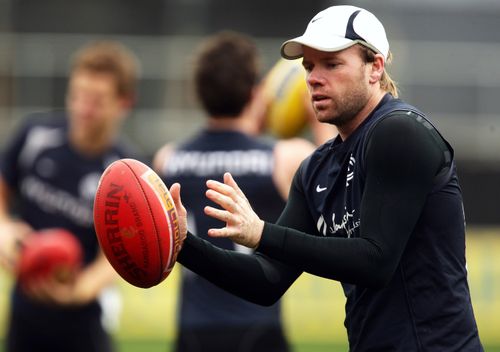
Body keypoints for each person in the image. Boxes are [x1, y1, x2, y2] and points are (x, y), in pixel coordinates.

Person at [168, 5, 484, 351]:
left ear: (375, 67)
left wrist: (262, 233)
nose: (313, 78)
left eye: (332, 64)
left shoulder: (399, 131)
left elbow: (375, 261)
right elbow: (267, 281)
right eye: (309, 66)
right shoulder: (316, 167)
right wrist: (183, 244)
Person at [154, 31, 317, 352]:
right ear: (255, 93)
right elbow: (342, 184)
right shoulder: (283, 158)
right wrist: (314, 116)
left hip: (193, 329)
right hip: (257, 325)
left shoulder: (168, 159)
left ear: (199, 94)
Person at [0, 40, 141, 352]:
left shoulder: (125, 173)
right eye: (77, 95)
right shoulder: (34, 135)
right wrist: (4, 228)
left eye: (96, 100)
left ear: (124, 103)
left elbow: (119, 256)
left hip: (84, 322)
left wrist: (79, 290)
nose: (82, 108)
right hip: (23, 312)